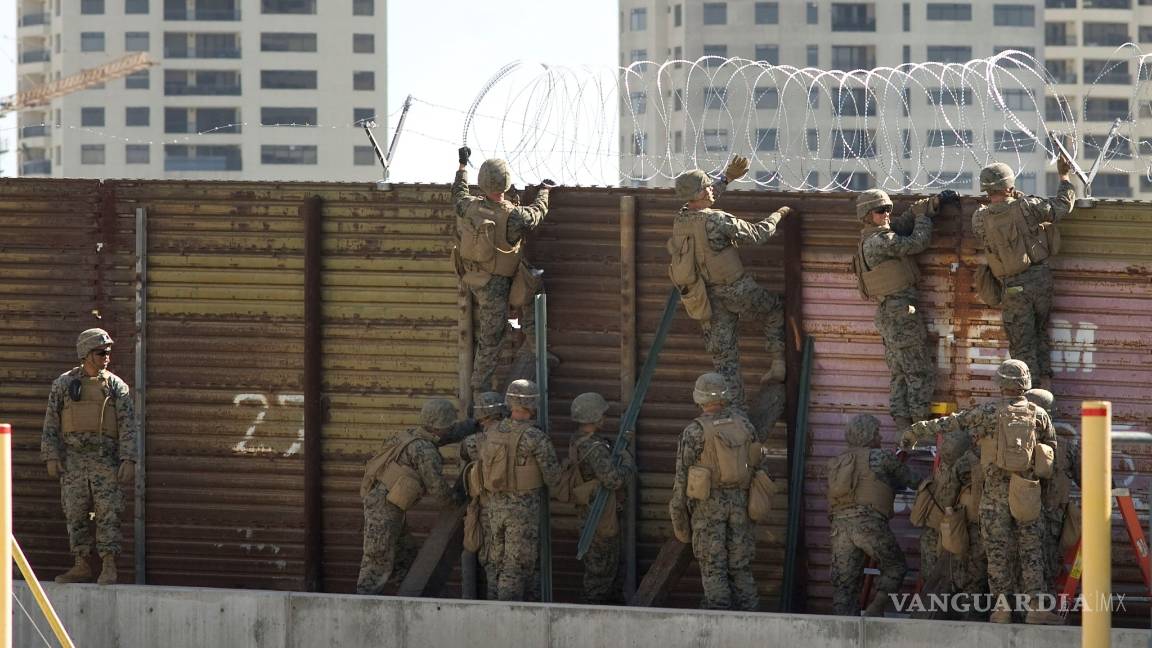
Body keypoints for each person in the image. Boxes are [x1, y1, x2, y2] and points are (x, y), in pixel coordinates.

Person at [903, 359, 1062, 624]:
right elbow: (1051, 451)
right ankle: (1036, 607)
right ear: (1025, 383)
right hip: (1026, 494)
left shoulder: (987, 412)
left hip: (993, 498)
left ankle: (1001, 610)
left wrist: (915, 431)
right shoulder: (1040, 414)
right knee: (1031, 552)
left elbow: (952, 423)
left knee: (997, 552)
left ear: (1000, 383)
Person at [667, 158, 795, 427]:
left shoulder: (680, 221)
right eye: (707, 186)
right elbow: (757, 235)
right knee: (774, 310)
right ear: (700, 194)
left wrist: (726, 179)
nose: (712, 189)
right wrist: (779, 215)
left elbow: (702, 203)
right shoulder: (717, 220)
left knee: (726, 364)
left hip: (705, 301)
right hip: (736, 290)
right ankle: (777, 362)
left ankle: (737, 419)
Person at [452, 146, 554, 396]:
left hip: (474, 277)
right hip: (496, 284)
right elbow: (536, 214)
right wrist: (544, 192)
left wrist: (462, 166)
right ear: (506, 183)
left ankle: (532, 347)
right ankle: (480, 394)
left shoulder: (469, 206)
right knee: (491, 338)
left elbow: (458, 194)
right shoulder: (512, 216)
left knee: (524, 296)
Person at [853, 189, 956, 431]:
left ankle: (902, 429)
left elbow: (901, 222)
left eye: (888, 209)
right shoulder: (880, 241)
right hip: (900, 314)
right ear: (867, 216)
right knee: (918, 371)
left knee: (900, 373)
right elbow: (916, 243)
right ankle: (919, 430)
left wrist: (931, 204)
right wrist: (923, 219)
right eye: (881, 211)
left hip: (890, 313)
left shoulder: (874, 235)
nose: (887, 214)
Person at [42, 328, 137, 585]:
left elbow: (128, 425)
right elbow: (52, 422)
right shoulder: (63, 385)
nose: (106, 356)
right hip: (73, 461)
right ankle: (81, 564)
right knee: (74, 513)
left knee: (109, 513)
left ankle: (108, 565)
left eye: (107, 352)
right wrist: (51, 455)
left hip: (105, 460)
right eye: (100, 352)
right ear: (85, 354)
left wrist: (129, 459)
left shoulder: (116, 386)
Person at [972, 157, 1075, 390]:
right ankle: (1045, 393)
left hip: (1014, 287)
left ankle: (1031, 398)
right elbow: (1062, 206)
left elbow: (991, 222)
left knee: (1022, 347)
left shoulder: (980, 217)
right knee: (1039, 335)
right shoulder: (1028, 206)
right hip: (1041, 281)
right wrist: (1064, 177)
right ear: (1010, 186)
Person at [668, 373, 762, 610]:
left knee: (713, 566)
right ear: (725, 395)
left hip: (708, 508)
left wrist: (679, 519)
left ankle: (719, 620)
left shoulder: (694, 432)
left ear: (699, 398)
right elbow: (760, 465)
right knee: (740, 567)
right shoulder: (745, 425)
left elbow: (681, 479)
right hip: (741, 505)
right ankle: (754, 621)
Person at [356, 398, 462, 595]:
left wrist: (470, 427)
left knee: (404, 558)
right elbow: (438, 490)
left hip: (386, 506)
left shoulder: (409, 436)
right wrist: (458, 499)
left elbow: (448, 435)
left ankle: (411, 602)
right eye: (448, 425)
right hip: (384, 510)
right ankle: (363, 607)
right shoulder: (425, 450)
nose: (449, 430)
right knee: (377, 560)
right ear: (440, 426)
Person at [472, 379, 562, 601]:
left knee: (497, 562)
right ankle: (508, 616)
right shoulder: (535, 437)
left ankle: (494, 608)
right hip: (521, 512)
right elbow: (553, 477)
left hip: (494, 508)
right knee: (516, 563)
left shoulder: (492, 432)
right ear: (532, 405)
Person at [826, 414, 919, 616]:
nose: (881, 438)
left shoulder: (838, 461)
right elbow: (913, 480)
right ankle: (875, 609)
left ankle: (841, 630)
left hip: (839, 528)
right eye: (877, 433)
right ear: (868, 435)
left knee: (845, 585)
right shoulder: (882, 457)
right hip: (869, 524)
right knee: (895, 566)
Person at [567, 392, 634, 604]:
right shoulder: (594, 448)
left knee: (607, 572)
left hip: (592, 515)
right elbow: (613, 480)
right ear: (594, 417)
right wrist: (627, 465)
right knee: (600, 576)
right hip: (599, 518)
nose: (605, 418)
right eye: (602, 414)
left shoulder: (580, 440)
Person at [1025, 388, 1080, 591]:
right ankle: (1038, 612)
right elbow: (1089, 480)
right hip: (1050, 521)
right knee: (1046, 570)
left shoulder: (1010, 445)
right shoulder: (1065, 447)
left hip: (1018, 519)